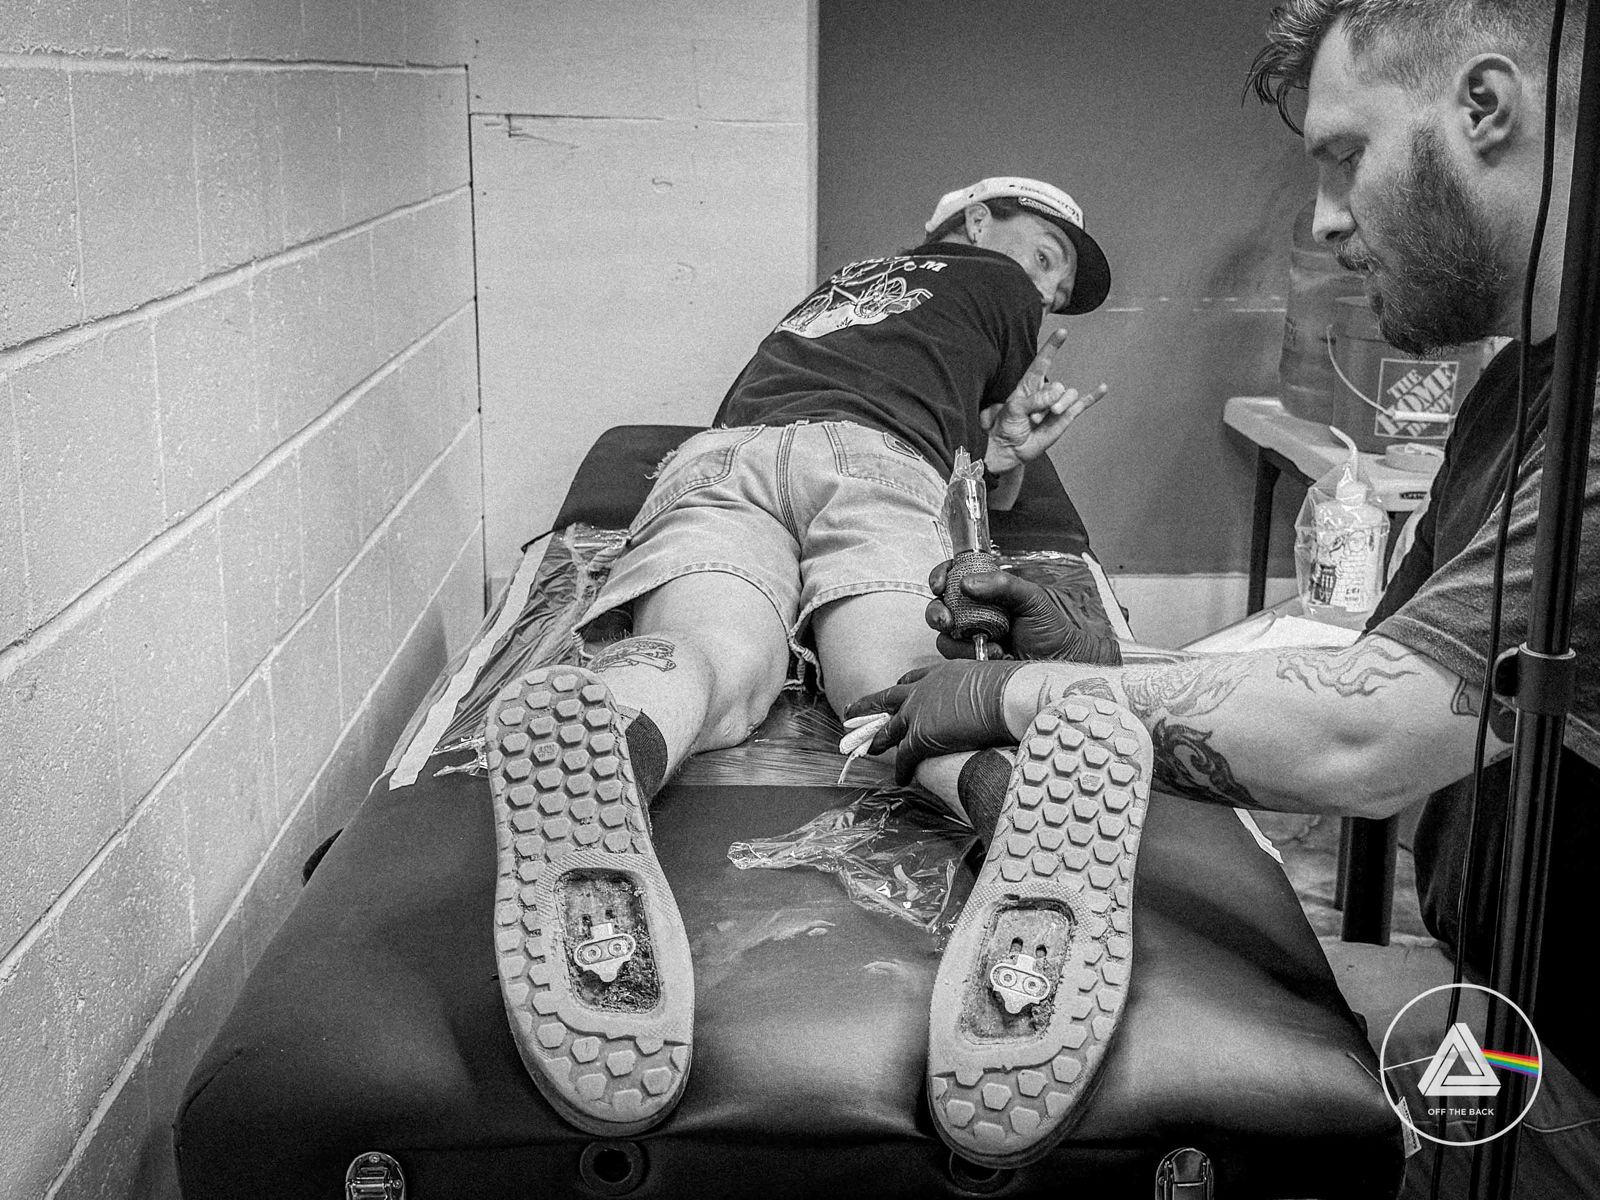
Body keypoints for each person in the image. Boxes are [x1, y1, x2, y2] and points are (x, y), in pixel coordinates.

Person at [852, 0, 1600, 1189]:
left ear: (1485, 108)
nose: (1326, 218)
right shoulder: (1519, 386)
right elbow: (1373, 662)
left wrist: (1016, 696)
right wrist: (1106, 666)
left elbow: (1370, 733)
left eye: (1345, 156)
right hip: (1505, 998)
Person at [479, 178, 1122, 1143]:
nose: (1048, 291)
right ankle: (1009, 799)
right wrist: (1010, 436)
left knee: (712, 663)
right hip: (872, 463)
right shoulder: (1002, 292)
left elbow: (964, 439)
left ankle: (614, 733)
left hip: (722, 458)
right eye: (1045, 257)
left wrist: (1000, 453)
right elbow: (978, 475)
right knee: (898, 691)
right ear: (979, 222)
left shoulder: (844, 286)